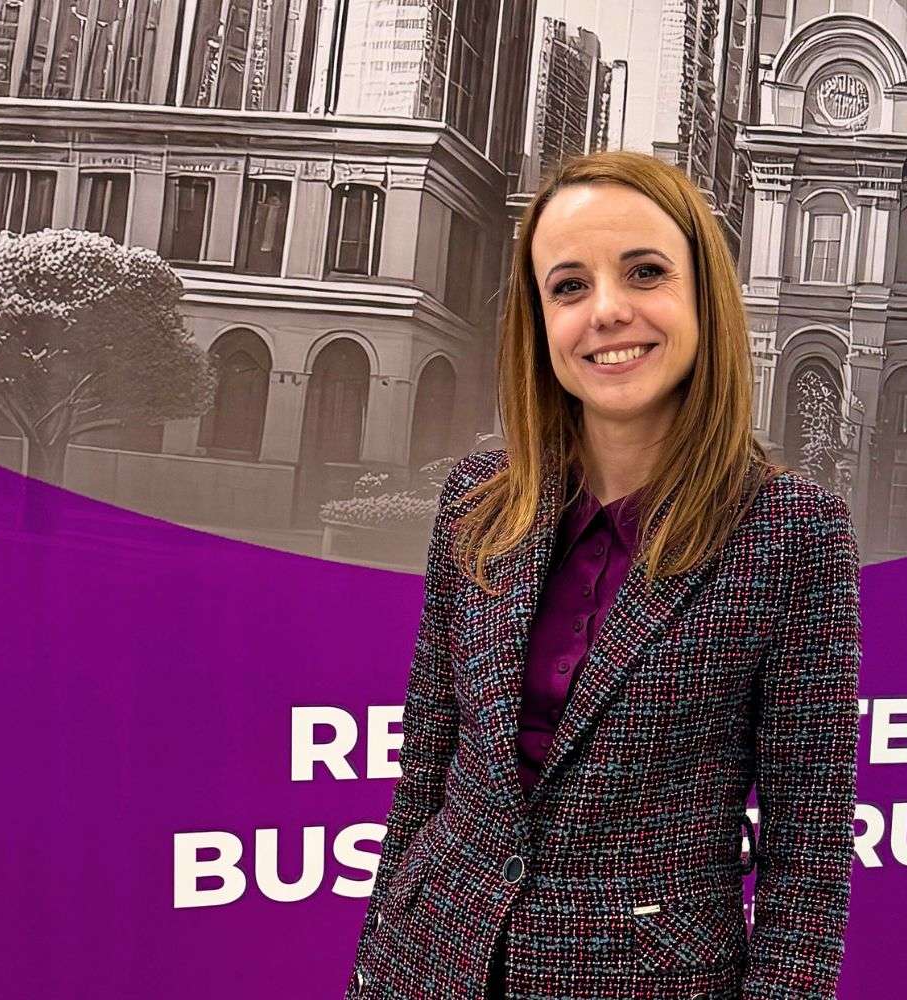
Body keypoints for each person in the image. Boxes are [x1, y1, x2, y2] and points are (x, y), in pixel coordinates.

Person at [345, 151, 861, 1000]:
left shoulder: (791, 532)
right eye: (569, 286)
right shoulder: (477, 501)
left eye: (646, 272)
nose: (608, 310)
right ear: (540, 321)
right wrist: (373, 965)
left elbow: (808, 861)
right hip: (427, 962)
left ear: (704, 296)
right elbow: (426, 772)